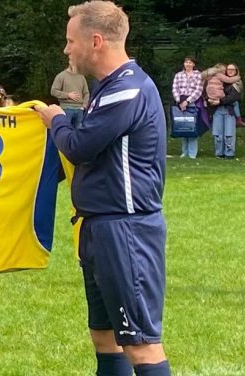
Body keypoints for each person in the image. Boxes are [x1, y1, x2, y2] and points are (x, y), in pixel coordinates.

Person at [35, 2, 171, 375]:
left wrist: (57, 120)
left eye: (70, 41)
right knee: (105, 337)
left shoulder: (126, 89)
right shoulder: (109, 88)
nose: (66, 49)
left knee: (140, 344)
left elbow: (78, 147)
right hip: (99, 228)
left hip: (125, 230)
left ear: (95, 41)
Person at [207, 63, 243, 159]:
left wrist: (219, 101)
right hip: (217, 111)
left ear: (236, 71)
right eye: (228, 69)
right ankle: (219, 153)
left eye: (233, 69)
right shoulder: (220, 80)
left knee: (229, 134)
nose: (230, 71)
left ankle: (229, 154)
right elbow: (210, 90)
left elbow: (233, 97)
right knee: (217, 134)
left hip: (229, 111)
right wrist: (210, 100)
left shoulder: (237, 83)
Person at [171, 56, 203, 159]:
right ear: (184, 64)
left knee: (192, 127)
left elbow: (198, 90)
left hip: (193, 103)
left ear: (193, 64)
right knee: (183, 126)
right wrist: (179, 100)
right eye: (186, 62)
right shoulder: (178, 75)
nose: (188, 64)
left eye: (190, 62)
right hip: (180, 102)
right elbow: (175, 88)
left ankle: (192, 153)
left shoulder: (198, 75)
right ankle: (184, 152)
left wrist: (188, 101)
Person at [51, 64, 90, 129]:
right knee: (65, 131)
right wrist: (68, 95)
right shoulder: (61, 76)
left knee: (79, 132)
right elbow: (53, 91)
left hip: (79, 110)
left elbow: (86, 93)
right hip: (66, 109)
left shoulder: (81, 76)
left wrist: (84, 105)